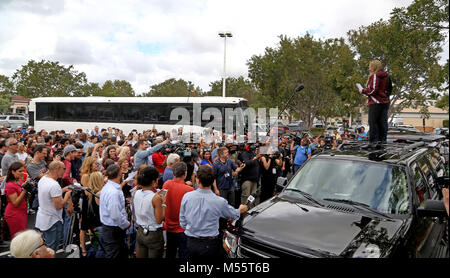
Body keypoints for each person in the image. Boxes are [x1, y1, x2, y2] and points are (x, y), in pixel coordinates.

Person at [179, 165, 248, 259]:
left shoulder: (186, 197)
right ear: (212, 181)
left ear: (197, 180)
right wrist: (241, 209)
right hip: (209, 244)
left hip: (191, 242)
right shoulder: (219, 201)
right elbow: (234, 214)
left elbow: (182, 221)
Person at [35, 161, 72, 252]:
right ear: (57, 170)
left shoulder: (43, 179)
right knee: (51, 250)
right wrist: (67, 196)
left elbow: (49, 195)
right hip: (52, 221)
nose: (65, 170)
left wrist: (62, 190)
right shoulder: (54, 185)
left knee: (44, 247)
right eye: (64, 168)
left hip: (43, 219)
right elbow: (59, 206)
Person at [162, 162, 194, 259]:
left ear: (173, 173)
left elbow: (162, 201)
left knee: (170, 253)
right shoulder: (190, 190)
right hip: (183, 229)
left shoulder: (166, 184)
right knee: (184, 254)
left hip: (169, 227)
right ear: (185, 174)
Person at [133, 167, 166, 258]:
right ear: (153, 181)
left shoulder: (137, 193)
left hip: (140, 231)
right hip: (153, 234)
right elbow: (159, 220)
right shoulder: (156, 198)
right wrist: (163, 203)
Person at [99, 164, 131, 258]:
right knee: (114, 254)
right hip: (113, 229)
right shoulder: (113, 192)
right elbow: (115, 214)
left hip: (111, 228)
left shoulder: (108, 187)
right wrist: (126, 224)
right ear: (120, 175)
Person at [359, 59, 390, 145]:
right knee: (381, 123)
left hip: (376, 103)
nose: (369, 68)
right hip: (383, 102)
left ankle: (372, 143)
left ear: (374, 67)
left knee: (373, 123)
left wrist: (363, 91)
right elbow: (387, 90)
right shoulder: (386, 76)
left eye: (370, 66)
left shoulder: (375, 76)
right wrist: (369, 98)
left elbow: (373, 90)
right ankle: (382, 142)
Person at [80, 171, 105, 258]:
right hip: (98, 220)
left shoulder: (88, 192)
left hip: (90, 217)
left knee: (93, 238)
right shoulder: (98, 193)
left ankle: (85, 250)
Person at [4, 162, 28, 238]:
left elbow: (24, 197)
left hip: (22, 212)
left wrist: (29, 191)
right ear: (13, 172)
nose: (22, 173)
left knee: (22, 236)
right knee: (18, 238)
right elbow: (15, 203)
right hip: (14, 214)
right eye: (20, 171)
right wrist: (24, 190)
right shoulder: (10, 185)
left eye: (23, 171)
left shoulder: (19, 181)